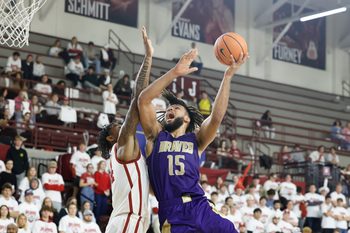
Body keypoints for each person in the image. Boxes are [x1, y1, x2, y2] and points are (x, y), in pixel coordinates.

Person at [138, 42, 247, 232]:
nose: (170, 109)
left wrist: (227, 76)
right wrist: (174, 73)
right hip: (172, 211)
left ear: (187, 118)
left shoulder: (196, 140)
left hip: (200, 205)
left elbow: (216, 117)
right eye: (168, 108)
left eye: (176, 108)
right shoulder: (155, 136)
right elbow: (143, 100)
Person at [98, 27, 153, 233]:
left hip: (127, 219)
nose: (122, 125)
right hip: (128, 219)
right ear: (113, 137)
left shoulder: (122, 153)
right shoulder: (122, 144)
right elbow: (139, 99)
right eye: (118, 126)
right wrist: (148, 57)